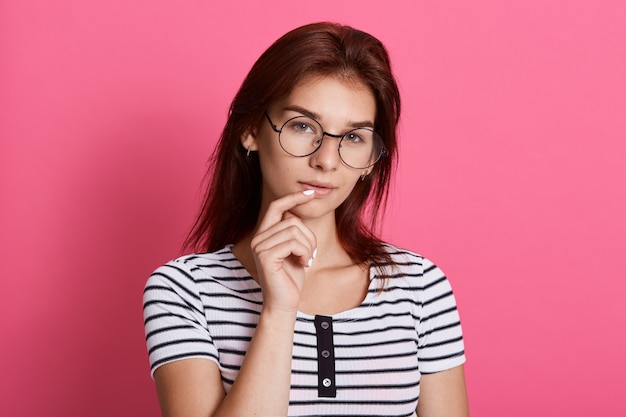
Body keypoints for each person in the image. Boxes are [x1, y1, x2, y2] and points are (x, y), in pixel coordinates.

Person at [143, 22, 469, 417]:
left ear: (370, 159)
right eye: (302, 126)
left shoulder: (420, 288)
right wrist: (278, 312)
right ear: (249, 131)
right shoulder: (183, 291)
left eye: (353, 137)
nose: (326, 160)